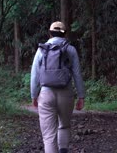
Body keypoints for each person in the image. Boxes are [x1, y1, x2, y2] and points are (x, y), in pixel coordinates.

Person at [31, 21, 86, 153]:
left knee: (49, 136)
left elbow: (34, 75)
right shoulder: (71, 49)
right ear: (65, 34)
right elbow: (77, 74)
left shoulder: (42, 49)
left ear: (50, 33)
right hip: (66, 94)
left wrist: (34, 95)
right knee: (64, 126)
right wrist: (81, 96)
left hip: (46, 94)